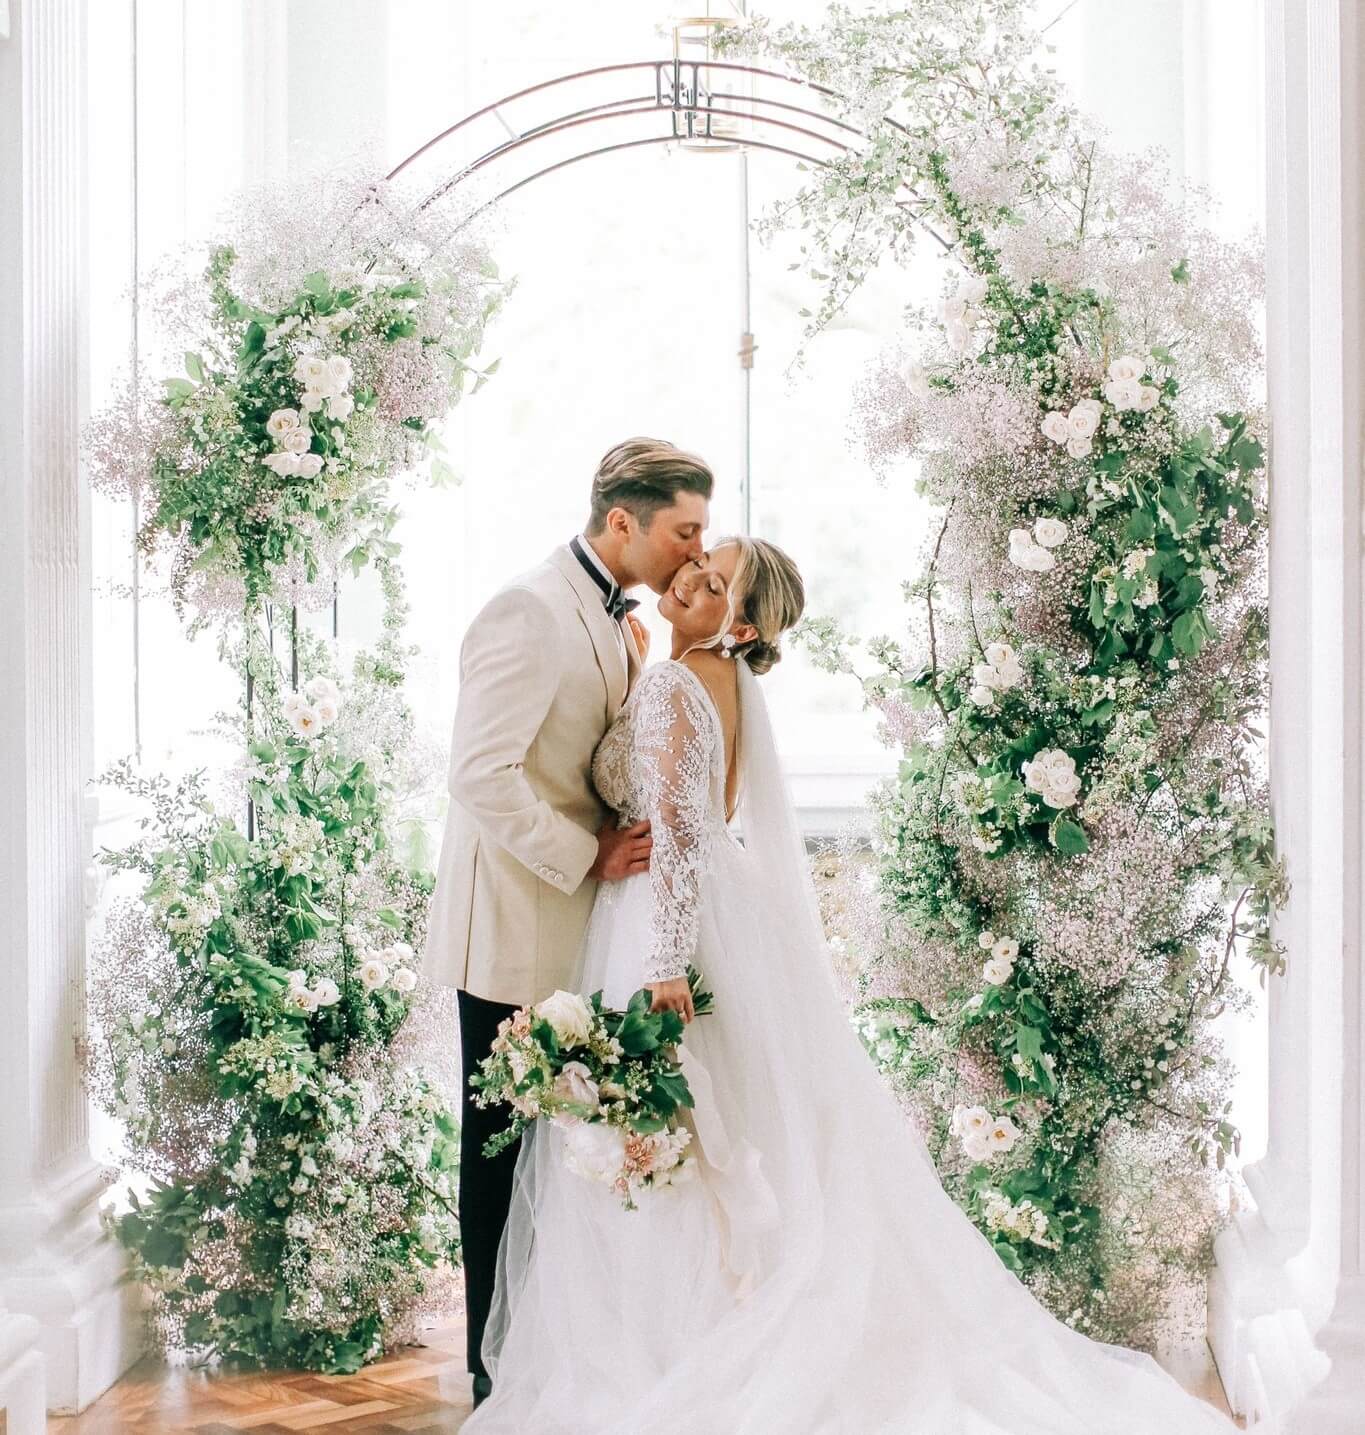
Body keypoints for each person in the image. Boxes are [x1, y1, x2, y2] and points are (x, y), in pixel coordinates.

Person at [462, 535, 1242, 1434]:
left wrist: (664, 963)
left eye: (711, 583)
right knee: (708, 1132)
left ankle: (665, 1337)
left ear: (741, 623)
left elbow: (678, 832)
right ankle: (694, 1314)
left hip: (662, 924)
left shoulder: (682, 682)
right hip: (692, 910)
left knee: (675, 1124)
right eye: (695, 562)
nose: (687, 577)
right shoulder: (699, 677)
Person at [420, 436, 714, 1410]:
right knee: (499, 1150)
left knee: (556, 1151)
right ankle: (487, 1370)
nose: (695, 550)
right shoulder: (530, 609)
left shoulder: (616, 620)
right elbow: (478, 773)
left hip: (574, 929)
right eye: (684, 530)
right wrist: (585, 854)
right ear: (622, 523)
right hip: (511, 926)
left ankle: (545, 1349)